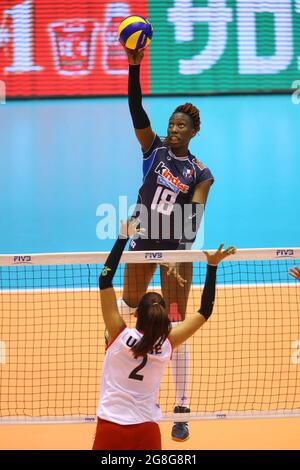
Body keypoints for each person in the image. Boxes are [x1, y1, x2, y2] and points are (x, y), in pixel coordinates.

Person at [117, 46, 215, 441]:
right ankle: (128, 386)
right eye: (171, 124)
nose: (173, 129)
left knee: (176, 324)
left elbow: (193, 218)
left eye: (181, 126)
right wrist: (133, 67)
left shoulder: (200, 172)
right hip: (142, 246)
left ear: (193, 133)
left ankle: (181, 406)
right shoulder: (152, 149)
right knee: (126, 308)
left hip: (177, 252)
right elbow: (136, 109)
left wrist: (175, 248)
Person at [92, 219, 236, 450]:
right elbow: (205, 311)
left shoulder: (117, 336)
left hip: (111, 427)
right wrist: (212, 267)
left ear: (136, 313)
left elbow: (104, 279)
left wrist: (122, 237)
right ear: (162, 320)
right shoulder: (167, 345)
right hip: (147, 431)